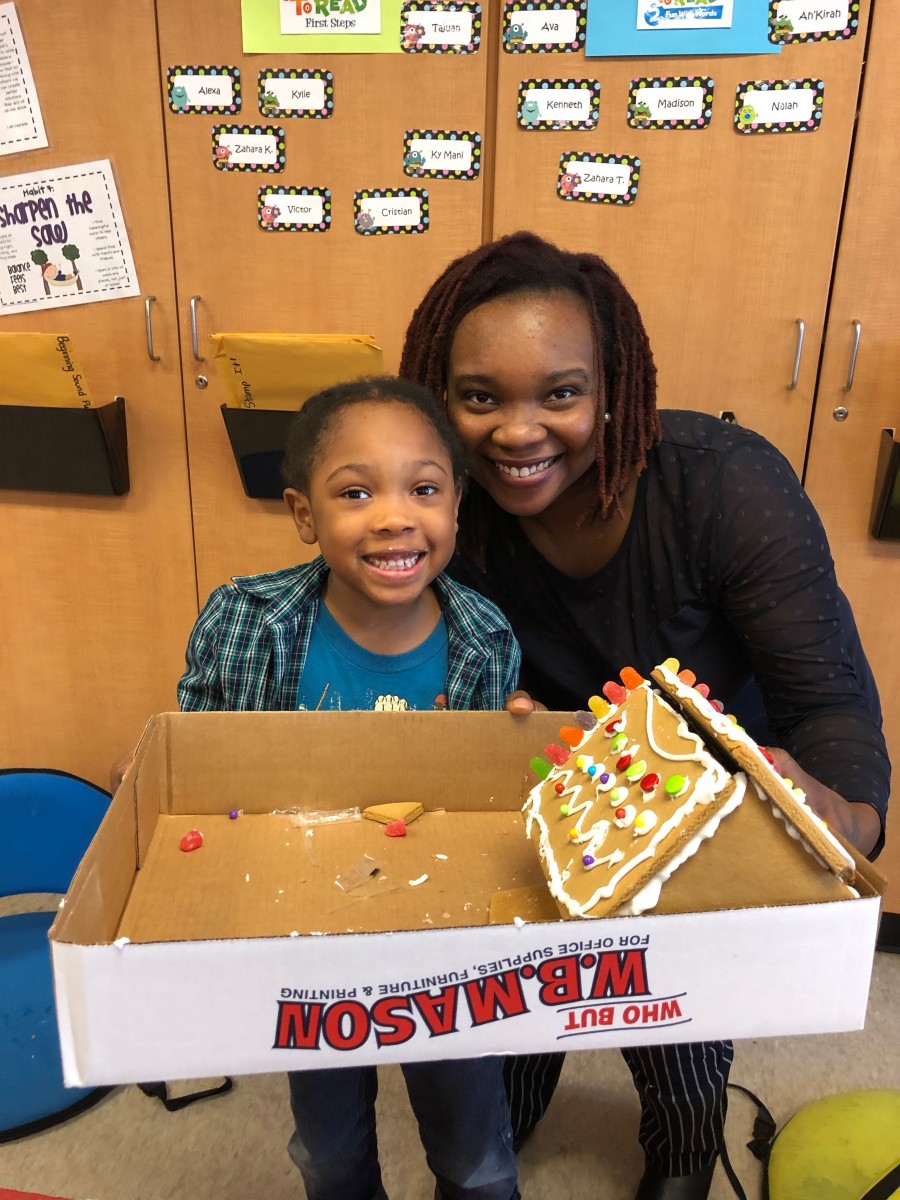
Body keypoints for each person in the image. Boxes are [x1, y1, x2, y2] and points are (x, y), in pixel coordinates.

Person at [399, 231, 890, 1200]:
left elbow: (827, 698)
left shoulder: (726, 487)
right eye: (480, 396)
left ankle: (679, 1150)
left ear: (615, 387)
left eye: (561, 393)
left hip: (693, 805)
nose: (518, 431)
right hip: (541, 804)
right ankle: (522, 1092)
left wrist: (844, 820)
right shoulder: (437, 498)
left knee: (674, 1031)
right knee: (513, 1027)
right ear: (439, 399)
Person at [177, 376, 522, 1200]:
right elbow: (196, 755)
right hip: (305, 939)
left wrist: (511, 748)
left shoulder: (485, 639)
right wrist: (162, 769)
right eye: (357, 492)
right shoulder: (242, 617)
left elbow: (484, 813)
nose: (396, 515)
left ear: (456, 506)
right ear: (305, 515)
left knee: (475, 1154)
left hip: (444, 945)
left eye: (424, 489)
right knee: (328, 1153)